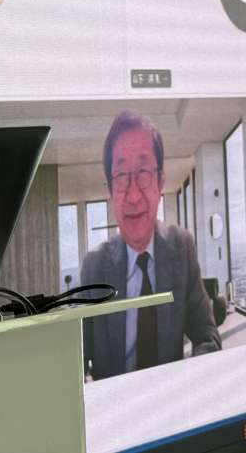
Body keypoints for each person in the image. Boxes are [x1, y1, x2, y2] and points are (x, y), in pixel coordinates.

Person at [81, 110, 221, 381]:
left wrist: (187, 386)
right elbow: (76, 362)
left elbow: (208, 338)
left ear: (160, 183)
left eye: (144, 173)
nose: (133, 196)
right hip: (117, 403)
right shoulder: (94, 267)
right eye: (121, 175)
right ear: (110, 191)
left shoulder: (182, 248)